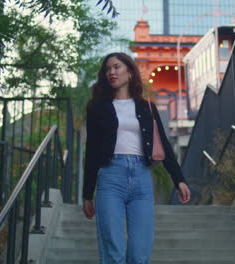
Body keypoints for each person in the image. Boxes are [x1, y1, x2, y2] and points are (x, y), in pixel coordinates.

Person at [82, 52, 191, 264]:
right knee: (113, 251)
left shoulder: (146, 106)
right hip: (110, 178)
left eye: (117, 67)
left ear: (130, 72)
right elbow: (93, 151)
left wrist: (179, 179)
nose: (111, 72)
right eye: (107, 69)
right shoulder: (97, 107)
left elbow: (165, 146)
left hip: (141, 180)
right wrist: (87, 193)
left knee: (139, 253)